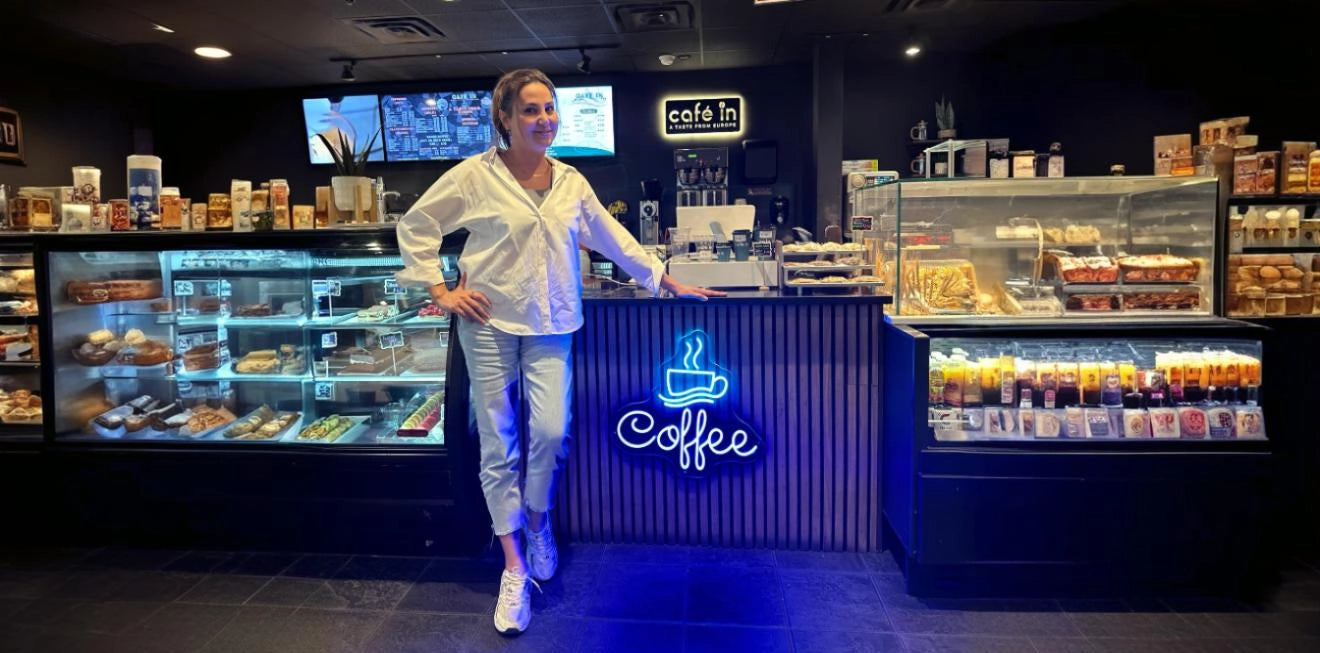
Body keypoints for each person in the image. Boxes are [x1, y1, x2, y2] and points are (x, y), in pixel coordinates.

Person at [396, 68, 723, 636]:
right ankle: (515, 567)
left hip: (552, 322)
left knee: (549, 433)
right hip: (488, 322)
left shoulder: (571, 180)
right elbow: (418, 223)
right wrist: (442, 290)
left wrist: (664, 279)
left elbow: (610, 237)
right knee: (498, 444)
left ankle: (539, 520)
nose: (543, 119)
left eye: (549, 108)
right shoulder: (474, 177)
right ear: (504, 118)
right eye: (529, 110)